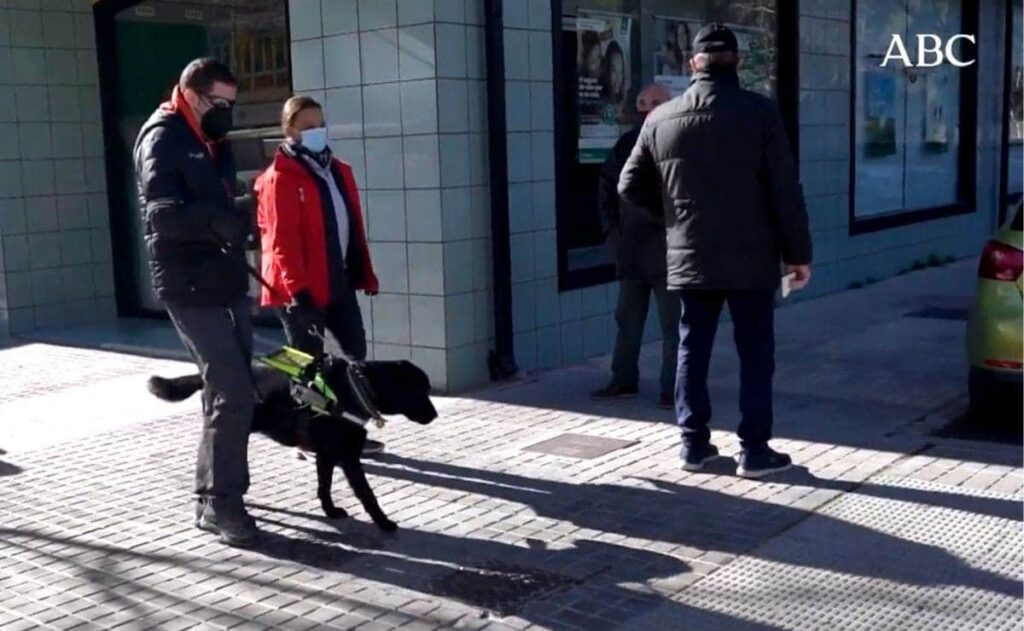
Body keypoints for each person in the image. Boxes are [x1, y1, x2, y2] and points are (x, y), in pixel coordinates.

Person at [618, 24, 813, 479]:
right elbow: (787, 191)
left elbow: (630, 186)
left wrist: (674, 220)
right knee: (755, 352)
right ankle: (755, 451)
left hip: (691, 256)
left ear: (693, 65)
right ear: (737, 63)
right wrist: (797, 253)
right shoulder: (760, 114)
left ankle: (693, 446)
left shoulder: (660, 119)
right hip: (752, 258)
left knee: (692, 347)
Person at [133, 58, 259, 547]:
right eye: (217, 103)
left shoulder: (213, 140)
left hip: (223, 277)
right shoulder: (163, 138)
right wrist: (217, 220)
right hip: (187, 283)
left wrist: (241, 213)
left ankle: (212, 497)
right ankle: (223, 504)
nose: (225, 112)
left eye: (231, 104)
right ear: (187, 93)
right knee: (234, 391)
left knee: (228, 390)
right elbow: (161, 215)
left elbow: (218, 204)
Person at [253, 96, 383, 455]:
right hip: (300, 289)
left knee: (354, 352)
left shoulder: (338, 170)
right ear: (289, 130)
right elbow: (281, 240)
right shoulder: (278, 177)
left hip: (337, 279)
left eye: (320, 124)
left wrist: (363, 273)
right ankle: (309, 437)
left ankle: (346, 428)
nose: (316, 132)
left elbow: (351, 227)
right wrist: (298, 292)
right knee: (304, 363)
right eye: (307, 126)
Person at [591, 83, 678, 410]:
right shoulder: (626, 144)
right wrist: (612, 237)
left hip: (672, 255)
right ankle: (623, 380)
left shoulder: (682, 142)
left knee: (675, 327)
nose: (648, 109)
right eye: (643, 103)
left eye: (656, 102)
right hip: (632, 253)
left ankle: (673, 389)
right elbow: (605, 193)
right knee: (627, 320)